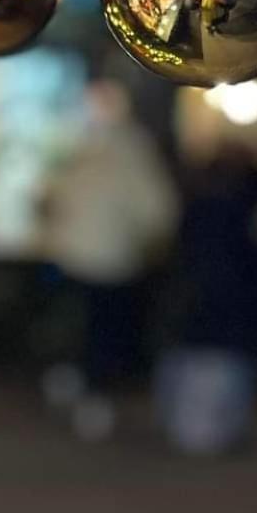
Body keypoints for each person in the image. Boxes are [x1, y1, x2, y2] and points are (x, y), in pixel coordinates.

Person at [40, 79, 179, 440]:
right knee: (102, 331)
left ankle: (82, 385)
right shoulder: (123, 149)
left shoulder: (91, 147)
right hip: (108, 259)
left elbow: (53, 197)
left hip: (81, 257)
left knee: (86, 326)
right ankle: (91, 391)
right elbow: (157, 210)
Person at [156, 145, 257, 455]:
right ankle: (208, 429)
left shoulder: (196, 211)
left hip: (202, 314)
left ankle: (202, 428)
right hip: (220, 316)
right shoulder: (238, 213)